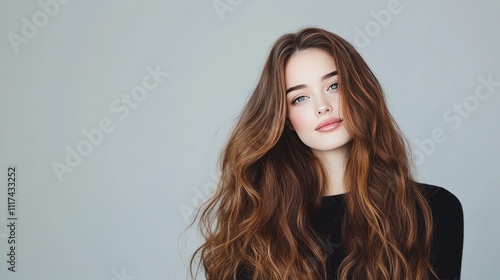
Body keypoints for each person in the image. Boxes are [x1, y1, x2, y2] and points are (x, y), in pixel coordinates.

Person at [190, 27, 464, 280]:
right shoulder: (255, 236)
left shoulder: (434, 211)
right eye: (300, 98)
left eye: (334, 86)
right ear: (285, 119)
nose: (322, 106)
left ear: (359, 91)